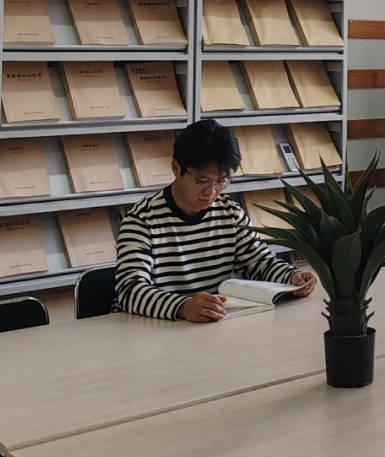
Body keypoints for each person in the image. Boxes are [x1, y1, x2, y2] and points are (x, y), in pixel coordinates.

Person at [115, 118, 316, 321]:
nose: (211, 192)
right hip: (157, 329)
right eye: (202, 181)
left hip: (213, 323)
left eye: (221, 181)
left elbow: (259, 262)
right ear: (176, 168)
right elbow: (130, 291)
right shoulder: (142, 221)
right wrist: (183, 307)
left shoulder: (230, 213)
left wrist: (292, 277)